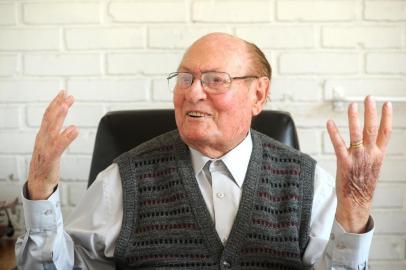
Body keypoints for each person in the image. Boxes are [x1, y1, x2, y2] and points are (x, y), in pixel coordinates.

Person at [15, 33, 392, 269]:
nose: (193, 92)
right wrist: (40, 195)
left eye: (215, 80)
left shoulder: (307, 181)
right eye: (185, 78)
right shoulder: (123, 180)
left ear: (258, 94)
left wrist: (354, 213)